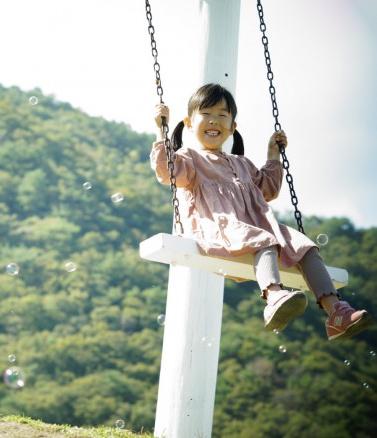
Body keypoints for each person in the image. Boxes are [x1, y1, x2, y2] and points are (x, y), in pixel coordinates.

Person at [150, 83, 371, 341]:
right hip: (215, 226)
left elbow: (267, 189)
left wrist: (273, 155)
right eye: (206, 114)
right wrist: (160, 129)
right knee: (263, 239)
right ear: (189, 122)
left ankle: (336, 312)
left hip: (253, 228)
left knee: (305, 246)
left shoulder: (242, 164)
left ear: (232, 127)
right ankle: (274, 296)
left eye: (222, 115)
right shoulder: (189, 159)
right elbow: (167, 172)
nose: (214, 120)